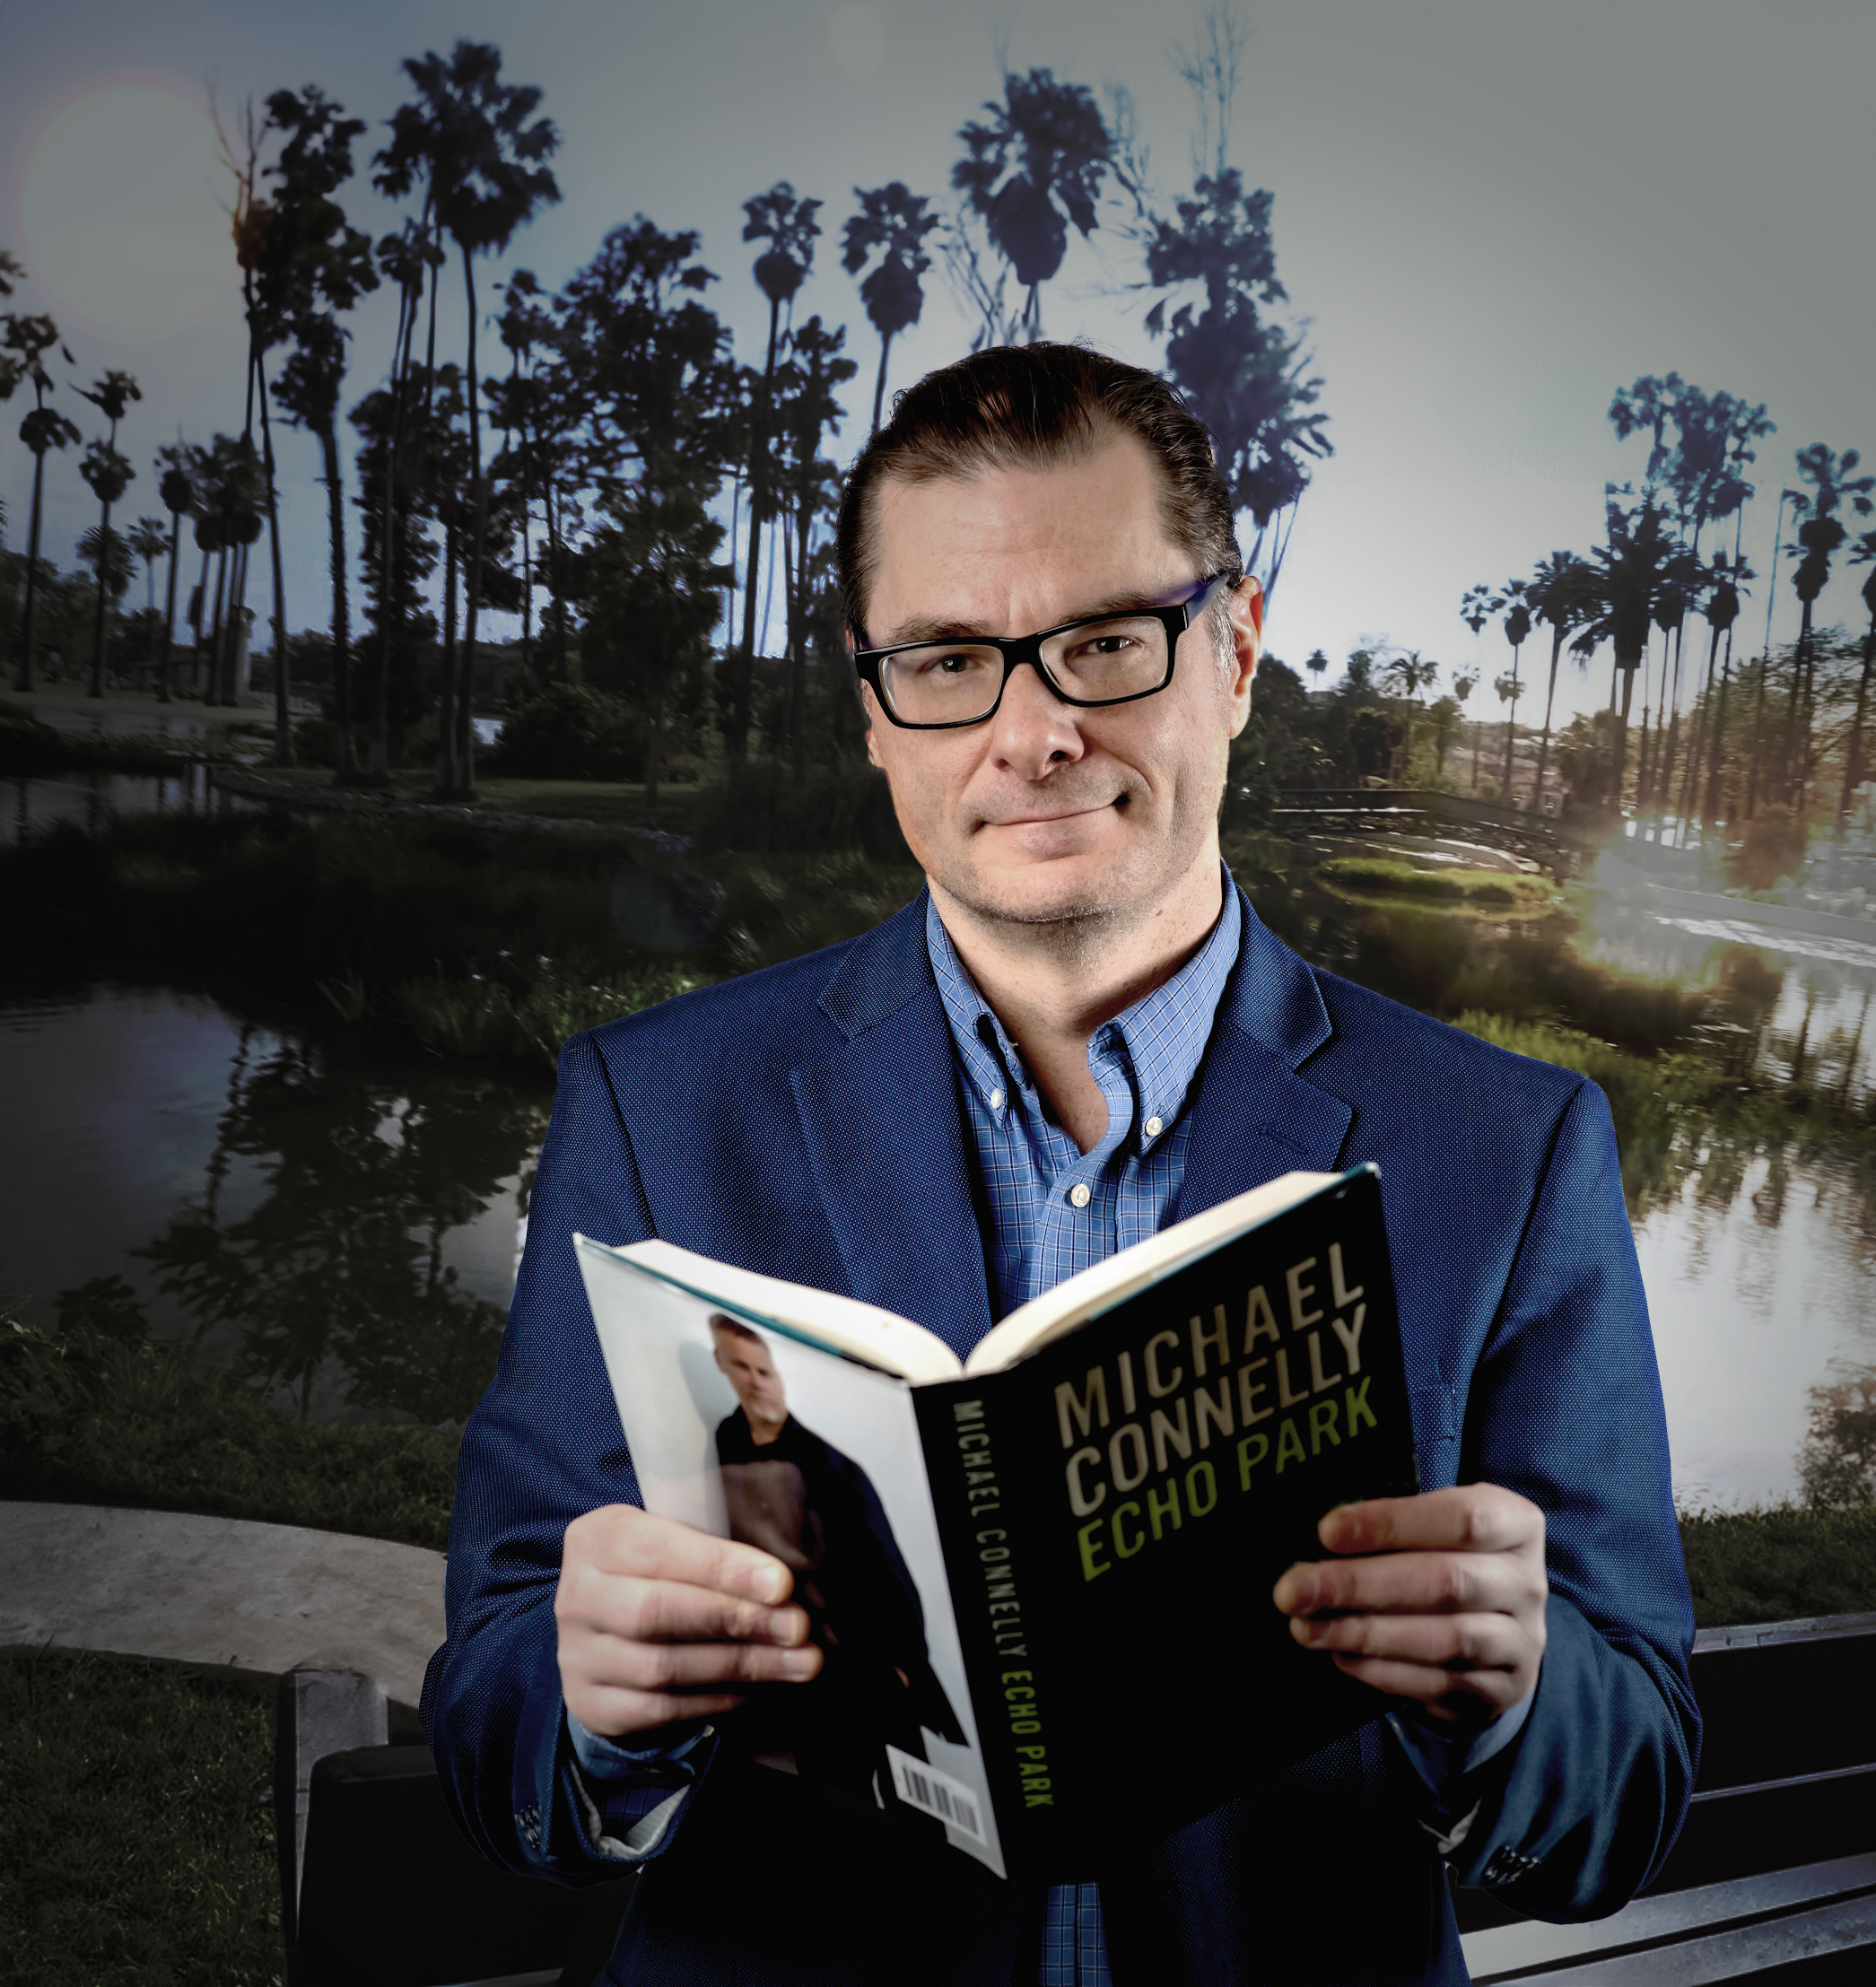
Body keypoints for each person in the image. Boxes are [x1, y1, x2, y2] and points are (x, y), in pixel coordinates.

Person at [423, 343, 1700, 1985]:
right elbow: (491, 1736)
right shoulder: (654, 1111)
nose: (1030, 732)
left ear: (1233, 652)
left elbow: (1636, 1789)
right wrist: (589, 1709)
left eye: (1104, 641)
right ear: (874, 712)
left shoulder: (1509, 1152)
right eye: (948, 659)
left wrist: (1522, 1689)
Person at [705, 1312, 965, 1803]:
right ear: (721, 1362)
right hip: (802, 1676)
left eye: (764, 1371)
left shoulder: (831, 1461)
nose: (756, 1383)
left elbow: (889, 1568)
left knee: (917, 1809)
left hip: (871, 1662)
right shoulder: (721, 1443)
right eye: (742, 1368)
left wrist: (904, 1663)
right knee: (832, 1809)